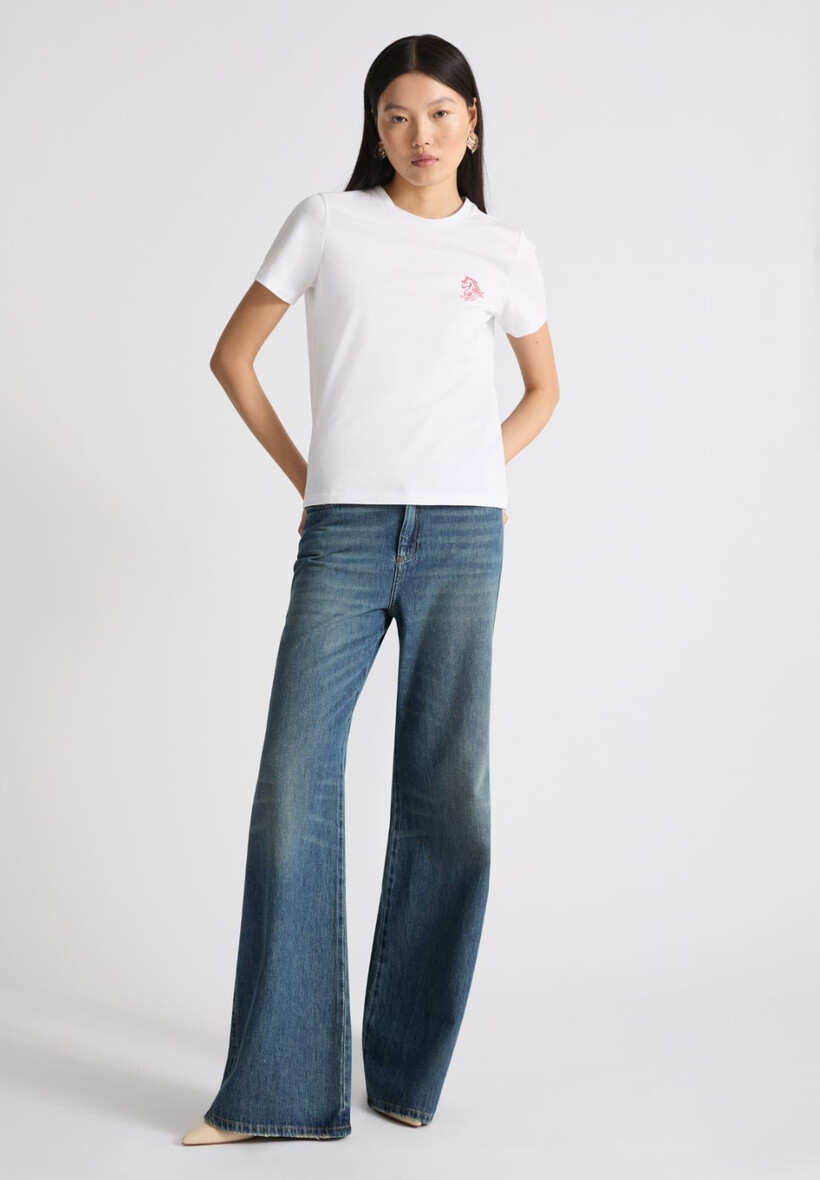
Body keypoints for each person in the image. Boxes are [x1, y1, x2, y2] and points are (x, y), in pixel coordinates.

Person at [183, 33, 560, 1146]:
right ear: (375, 128)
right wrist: (312, 479)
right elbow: (233, 357)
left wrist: (476, 469)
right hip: (344, 537)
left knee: (453, 799)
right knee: (292, 788)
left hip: (463, 538)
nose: (419, 135)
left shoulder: (503, 250)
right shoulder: (327, 223)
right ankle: (276, 1090)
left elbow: (544, 390)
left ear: (473, 124)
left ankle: (403, 1072)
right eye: (396, 115)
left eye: (439, 113)